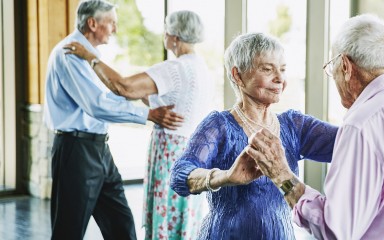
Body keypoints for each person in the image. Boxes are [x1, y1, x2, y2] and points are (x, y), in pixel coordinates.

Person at [246, 14, 384, 239]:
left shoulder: (363, 124)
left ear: (345, 66)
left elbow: (335, 231)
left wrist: (282, 176)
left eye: (332, 67)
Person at [169, 32, 338, 239]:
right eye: (267, 69)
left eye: (282, 70)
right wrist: (225, 177)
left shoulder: (294, 126)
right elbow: (180, 175)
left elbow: (351, 142)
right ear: (238, 75)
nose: (279, 79)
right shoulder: (219, 126)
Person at [64, 9, 211, 240]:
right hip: (193, 154)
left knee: (166, 215)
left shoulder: (175, 68)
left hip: (171, 154)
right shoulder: (200, 67)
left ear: (174, 36)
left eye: (166, 30)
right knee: (184, 219)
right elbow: (148, 96)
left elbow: (124, 87)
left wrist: (90, 58)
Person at [43, 1, 184, 239]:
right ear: (93, 23)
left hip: (98, 149)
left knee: (122, 226)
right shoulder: (70, 53)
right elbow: (96, 105)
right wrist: (147, 115)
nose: (115, 29)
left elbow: (107, 95)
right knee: (69, 229)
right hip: (76, 150)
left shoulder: (89, 56)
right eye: (112, 23)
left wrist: (142, 100)